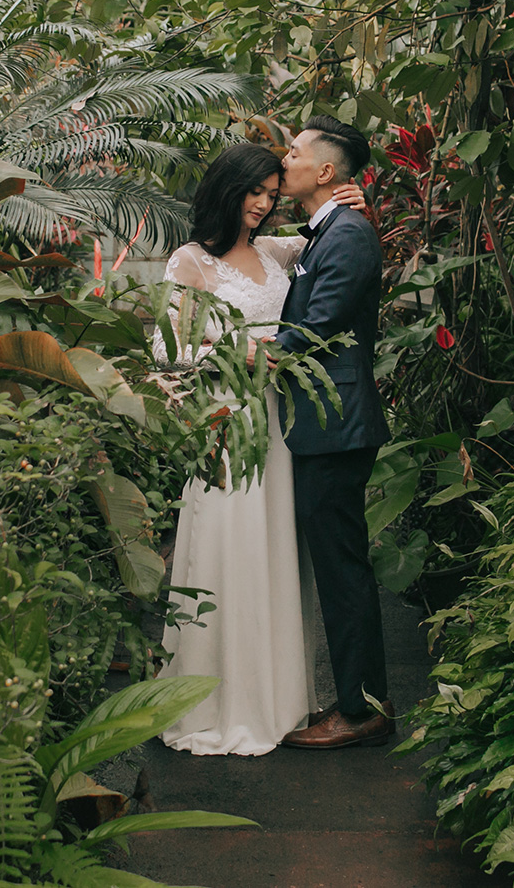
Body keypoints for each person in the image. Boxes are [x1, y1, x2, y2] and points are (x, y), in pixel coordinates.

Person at [156, 141, 366, 755]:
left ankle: (275, 700)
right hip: (229, 421)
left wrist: (355, 197)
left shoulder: (279, 251)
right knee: (229, 550)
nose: (264, 204)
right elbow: (170, 349)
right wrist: (233, 350)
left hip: (279, 424)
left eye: (272, 194)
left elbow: (332, 236)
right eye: (255, 192)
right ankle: (220, 702)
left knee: (275, 550)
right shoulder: (190, 261)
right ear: (228, 188)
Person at [270, 116, 394, 750]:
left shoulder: (347, 237)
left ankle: (362, 708)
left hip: (335, 424)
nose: (282, 159)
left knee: (343, 570)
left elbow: (316, 328)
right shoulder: (326, 231)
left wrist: (253, 355)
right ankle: (356, 699)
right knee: (338, 564)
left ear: (325, 171)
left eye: (293, 152)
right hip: (324, 424)